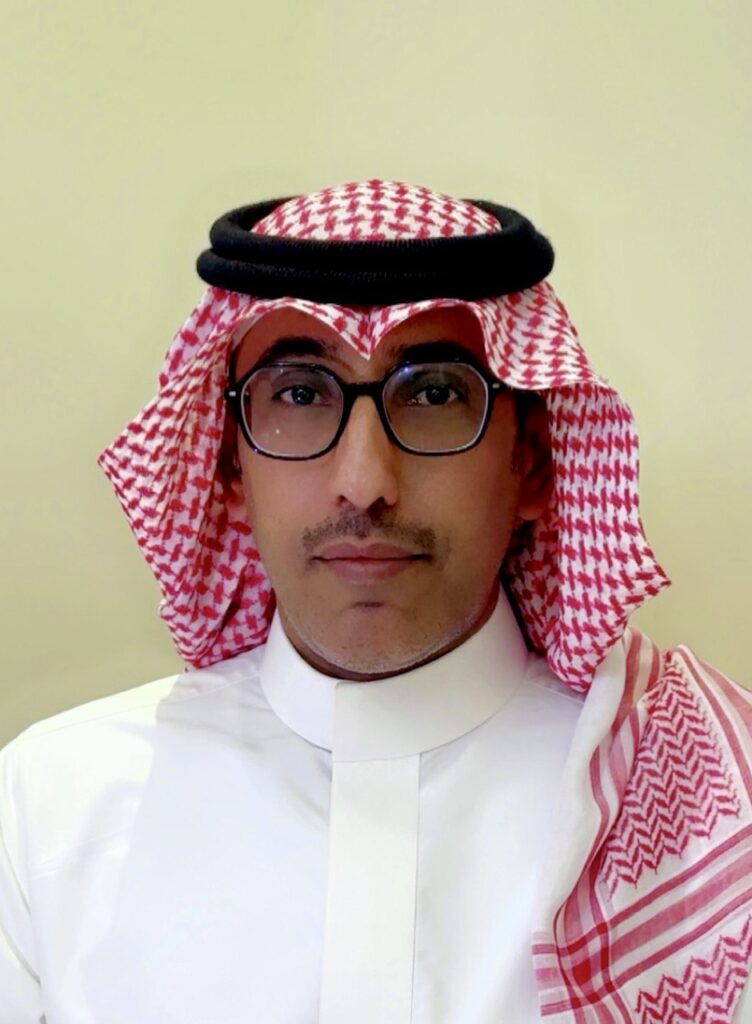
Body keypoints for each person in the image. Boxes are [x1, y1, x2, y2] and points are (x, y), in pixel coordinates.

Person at [1, 180, 750, 1023]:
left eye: (433, 394)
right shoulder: (49, 810)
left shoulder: (716, 807)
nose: (364, 483)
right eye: (298, 393)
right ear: (228, 468)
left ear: (534, 463)